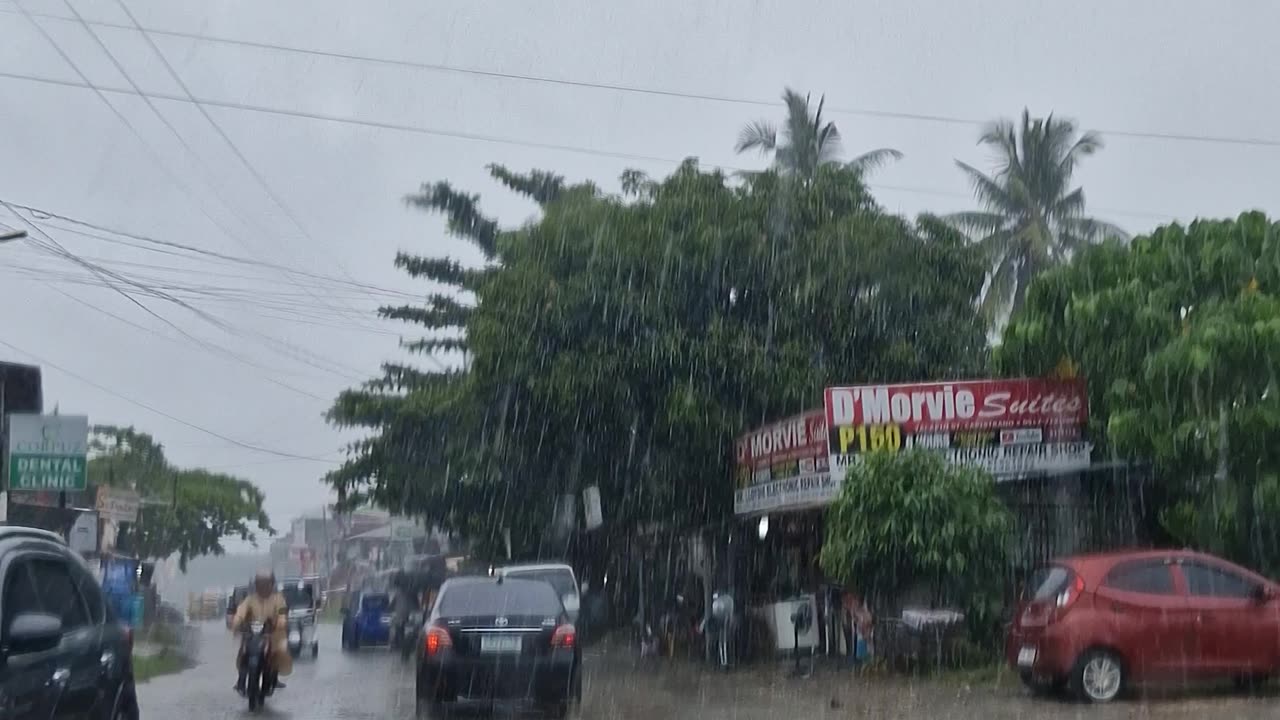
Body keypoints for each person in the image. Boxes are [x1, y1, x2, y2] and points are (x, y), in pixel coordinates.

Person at [230, 570, 292, 695]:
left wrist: (281, 622)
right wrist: (236, 622)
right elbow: (241, 611)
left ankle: (274, 677)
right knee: (243, 651)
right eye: (260, 583)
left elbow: (282, 613)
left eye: (266, 583)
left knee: (279, 651)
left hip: (272, 633)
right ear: (256, 585)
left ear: (271, 584)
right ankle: (241, 680)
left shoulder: (278, 599)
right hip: (252, 634)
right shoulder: (250, 599)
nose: (263, 586)